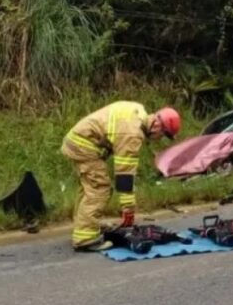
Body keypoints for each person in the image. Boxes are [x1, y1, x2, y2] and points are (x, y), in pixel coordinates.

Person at [60, 102, 181, 251]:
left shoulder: (138, 110)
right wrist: (128, 209)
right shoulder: (132, 134)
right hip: (83, 145)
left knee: (89, 187)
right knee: (100, 189)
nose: (160, 138)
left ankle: (85, 226)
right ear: (156, 125)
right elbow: (124, 175)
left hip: (77, 140)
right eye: (164, 134)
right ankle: (85, 238)